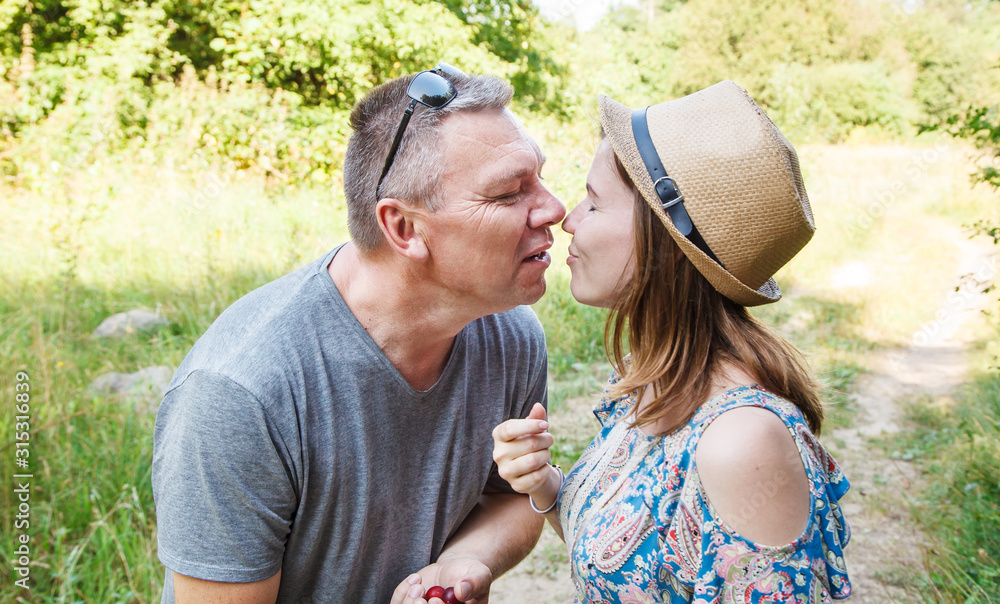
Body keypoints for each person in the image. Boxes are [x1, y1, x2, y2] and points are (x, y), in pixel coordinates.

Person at [152, 63, 566, 604]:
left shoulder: (509, 334)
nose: (556, 209)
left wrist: (461, 564)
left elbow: (511, 496)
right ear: (404, 228)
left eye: (538, 178)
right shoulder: (241, 394)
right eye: (509, 193)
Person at [493, 81, 852, 602]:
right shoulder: (652, 376)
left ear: (666, 244)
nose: (568, 221)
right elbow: (636, 570)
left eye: (594, 203)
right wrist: (544, 484)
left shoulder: (739, 444)